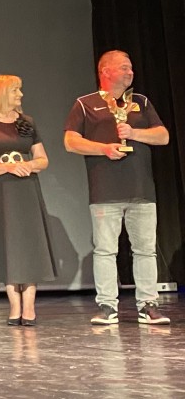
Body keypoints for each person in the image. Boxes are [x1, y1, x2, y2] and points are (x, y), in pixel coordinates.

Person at [64, 50, 171, 325]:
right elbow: (70, 142)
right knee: (105, 250)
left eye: (131, 67)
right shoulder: (85, 104)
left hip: (142, 190)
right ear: (106, 71)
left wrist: (134, 133)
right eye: (124, 67)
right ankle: (107, 306)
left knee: (145, 250)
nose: (130, 72)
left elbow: (163, 136)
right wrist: (103, 149)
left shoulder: (140, 102)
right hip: (105, 190)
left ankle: (148, 305)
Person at [0, 75, 56, 326]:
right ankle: (14, 306)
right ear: (1, 93)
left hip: (26, 191)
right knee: (6, 244)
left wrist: (28, 165)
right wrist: (7, 167)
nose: (21, 95)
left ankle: (29, 306)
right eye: (16, 90)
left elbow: (43, 159)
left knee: (29, 246)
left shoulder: (27, 122)